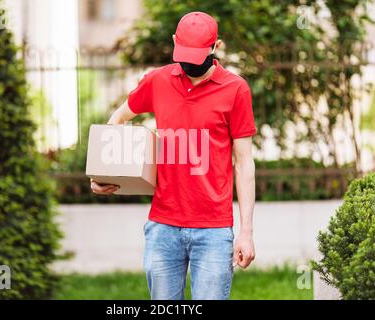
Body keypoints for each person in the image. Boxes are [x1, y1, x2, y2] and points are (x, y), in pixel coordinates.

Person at [91, 11, 256, 300]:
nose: (190, 64)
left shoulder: (236, 90)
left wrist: (246, 232)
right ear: (174, 43)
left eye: (197, 56)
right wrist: (103, 172)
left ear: (216, 47)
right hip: (163, 227)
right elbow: (117, 120)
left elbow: (244, 164)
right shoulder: (158, 81)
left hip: (214, 230)